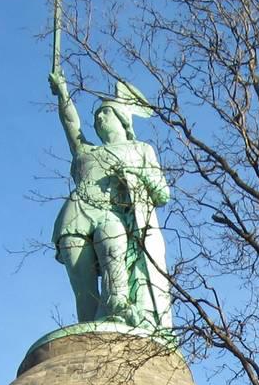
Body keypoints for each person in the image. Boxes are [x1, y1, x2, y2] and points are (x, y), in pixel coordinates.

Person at [48, 71, 172, 330]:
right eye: (95, 116)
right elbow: (72, 124)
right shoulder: (86, 151)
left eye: (104, 113)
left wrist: (136, 176)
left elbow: (162, 194)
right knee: (82, 285)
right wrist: (63, 93)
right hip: (76, 213)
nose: (97, 119)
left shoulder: (141, 150)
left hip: (112, 215)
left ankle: (118, 310)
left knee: (114, 255)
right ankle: (90, 330)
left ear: (121, 118)